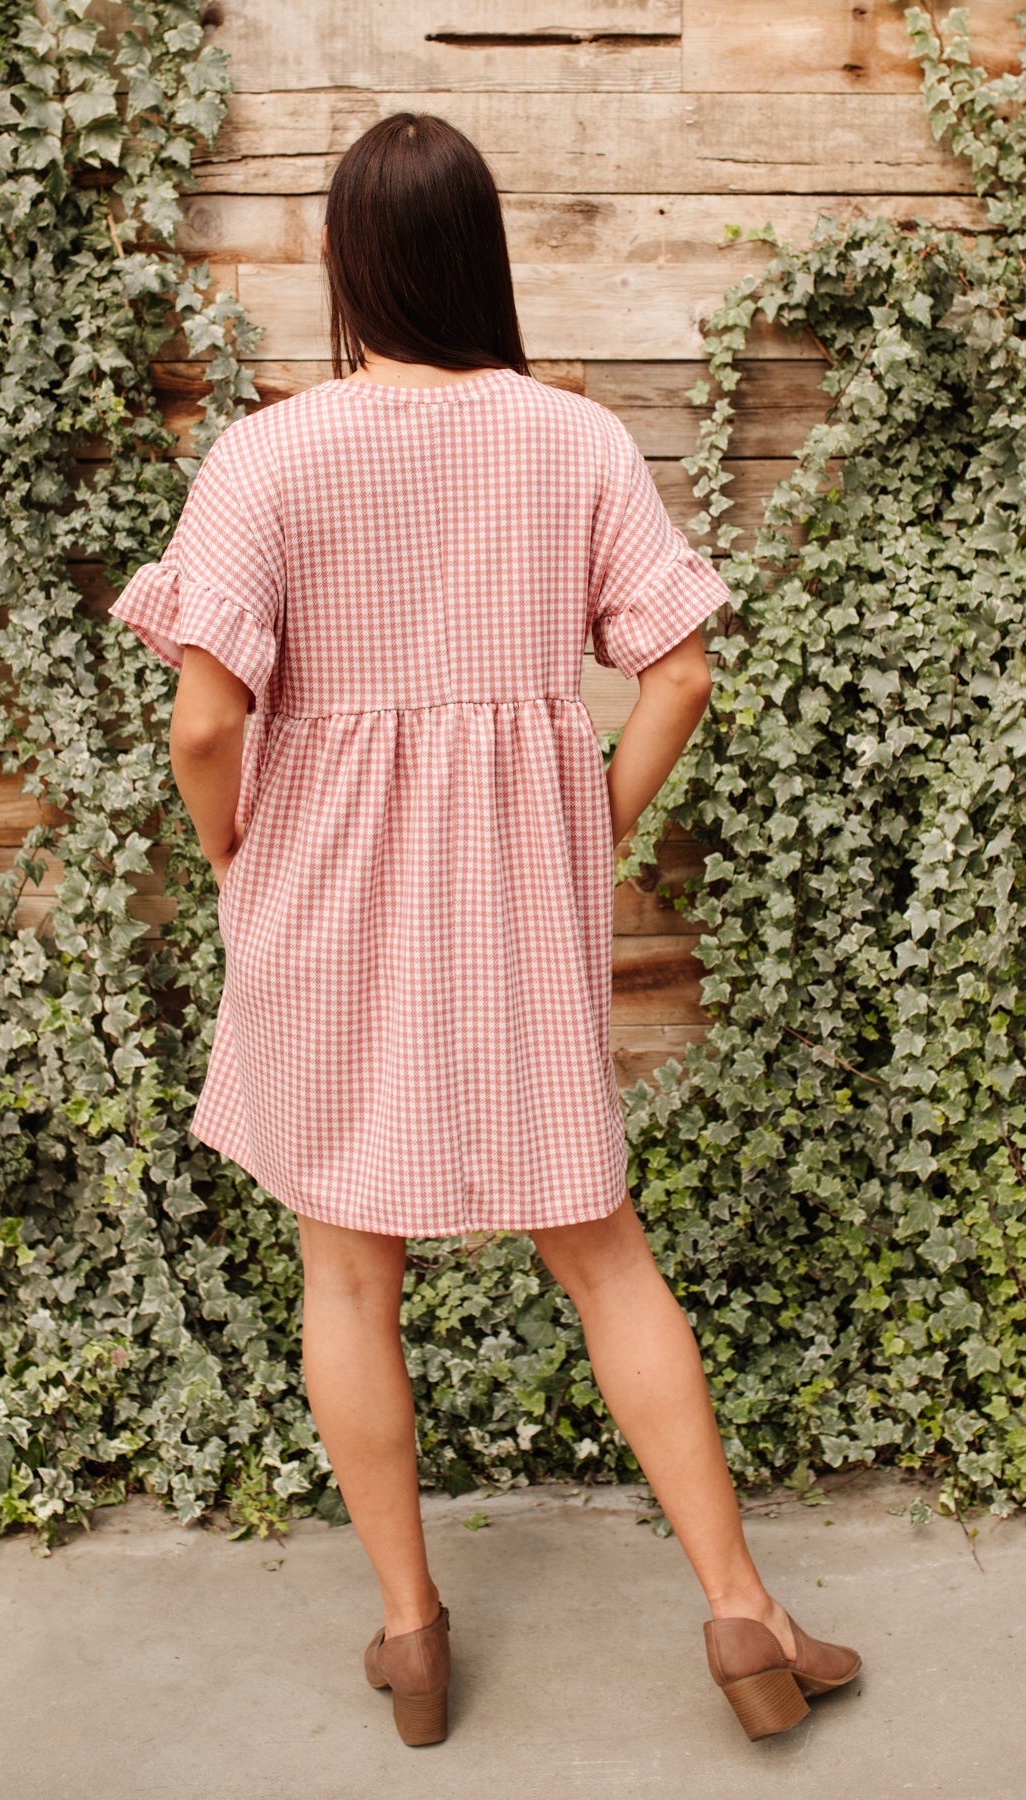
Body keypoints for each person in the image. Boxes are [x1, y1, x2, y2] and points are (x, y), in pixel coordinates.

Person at [108, 110, 861, 1751]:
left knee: (347, 1271)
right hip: (514, 921)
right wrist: (587, 824)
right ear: (480, 256)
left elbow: (200, 731)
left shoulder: (267, 456)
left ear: (347, 264)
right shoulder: (570, 443)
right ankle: (742, 1609)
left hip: (320, 908)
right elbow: (679, 671)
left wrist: (243, 869)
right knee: (601, 1252)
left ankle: (413, 1634)